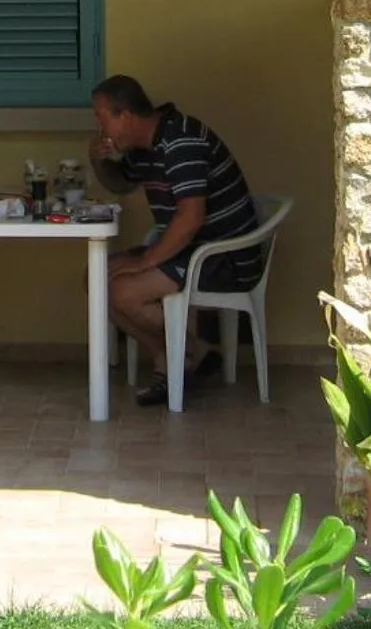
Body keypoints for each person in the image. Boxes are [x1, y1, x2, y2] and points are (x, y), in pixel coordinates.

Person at [88, 74, 263, 407]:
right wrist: (98, 159)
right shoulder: (145, 146)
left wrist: (145, 261)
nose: (100, 128)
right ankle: (187, 355)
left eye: (102, 118)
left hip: (224, 256)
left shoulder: (180, 141)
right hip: (190, 249)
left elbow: (190, 217)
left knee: (122, 291)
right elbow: (121, 184)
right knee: (97, 278)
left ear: (125, 116)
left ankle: (177, 362)